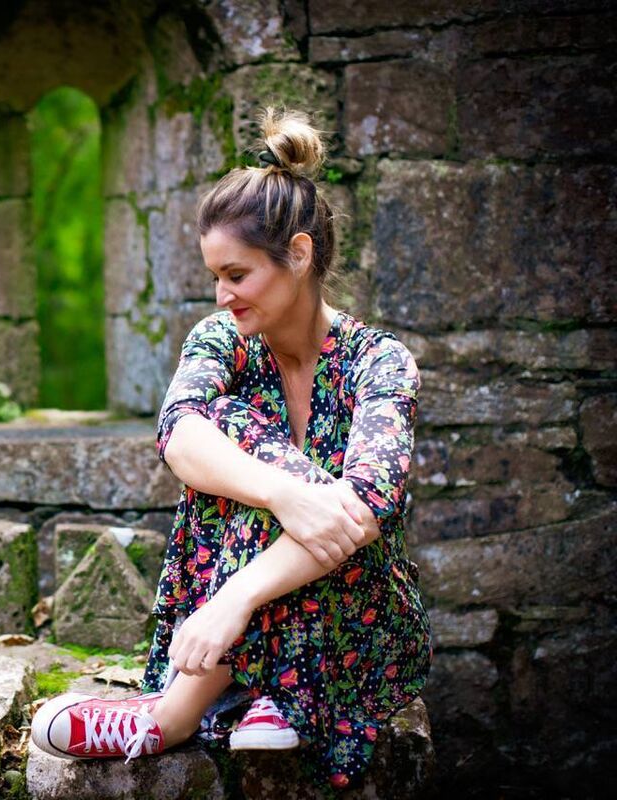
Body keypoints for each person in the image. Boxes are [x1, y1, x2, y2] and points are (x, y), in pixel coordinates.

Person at [30, 107, 432, 791]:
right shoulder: (223, 341)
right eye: (216, 276)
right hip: (265, 595)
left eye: (237, 275)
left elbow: (366, 508)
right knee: (225, 422)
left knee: (294, 470)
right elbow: (178, 435)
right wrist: (284, 492)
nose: (223, 295)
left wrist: (232, 601)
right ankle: (260, 692)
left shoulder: (380, 362)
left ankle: (171, 715)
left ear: (297, 255)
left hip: (358, 625)